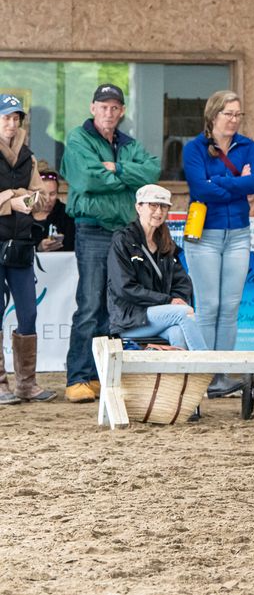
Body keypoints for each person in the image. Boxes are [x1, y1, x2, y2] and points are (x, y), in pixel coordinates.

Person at [60, 84, 161, 404]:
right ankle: (78, 377)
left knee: (113, 307)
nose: (109, 112)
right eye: (103, 106)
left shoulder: (128, 144)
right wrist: (126, 180)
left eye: (115, 107)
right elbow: (86, 179)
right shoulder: (78, 139)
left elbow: (151, 172)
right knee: (90, 304)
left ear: (122, 111)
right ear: (93, 108)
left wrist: (116, 168)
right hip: (92, 231)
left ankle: (100, 376)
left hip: (124, 234)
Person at [182, 91, 254, 397]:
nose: (233, 120)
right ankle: (204, 376)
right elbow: (199, 189)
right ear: (213, 115)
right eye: (228, 113)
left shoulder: (248, 146)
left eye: (238, 114)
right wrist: (236, 184)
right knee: (208, 307)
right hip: (204, 235)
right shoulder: (194, 148)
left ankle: (221, 376)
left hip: (239, 234)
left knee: (230, 307)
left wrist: (219, 183)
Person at [107, 184, 209, 352]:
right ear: (138, 207)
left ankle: (178, 378)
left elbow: (183, 283)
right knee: (184, 314)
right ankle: (209, 368)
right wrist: (168, 301)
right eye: (152, 205)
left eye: (164, 206)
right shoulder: (123, 241)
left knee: (178, 332)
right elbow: (124, 288)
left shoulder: (166, 243)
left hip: (158, 316)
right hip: (130, 318)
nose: (159, 212)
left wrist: (176, 299)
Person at [0, 94, 55, 403]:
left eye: (16, 117)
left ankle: (26, 384)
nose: (12, 123)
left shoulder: (29, 156)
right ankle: (0, 383)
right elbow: (24, 199)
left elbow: (40, 199)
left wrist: (23, 199)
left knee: (29, 313)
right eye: (6, 117)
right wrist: (12, 198)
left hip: (20, 244)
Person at [30, 161, 74, 252]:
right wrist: (38, 247)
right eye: (42, 194)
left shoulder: (67, 214)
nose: (47, 199)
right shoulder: (22, 215)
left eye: (52, 194)